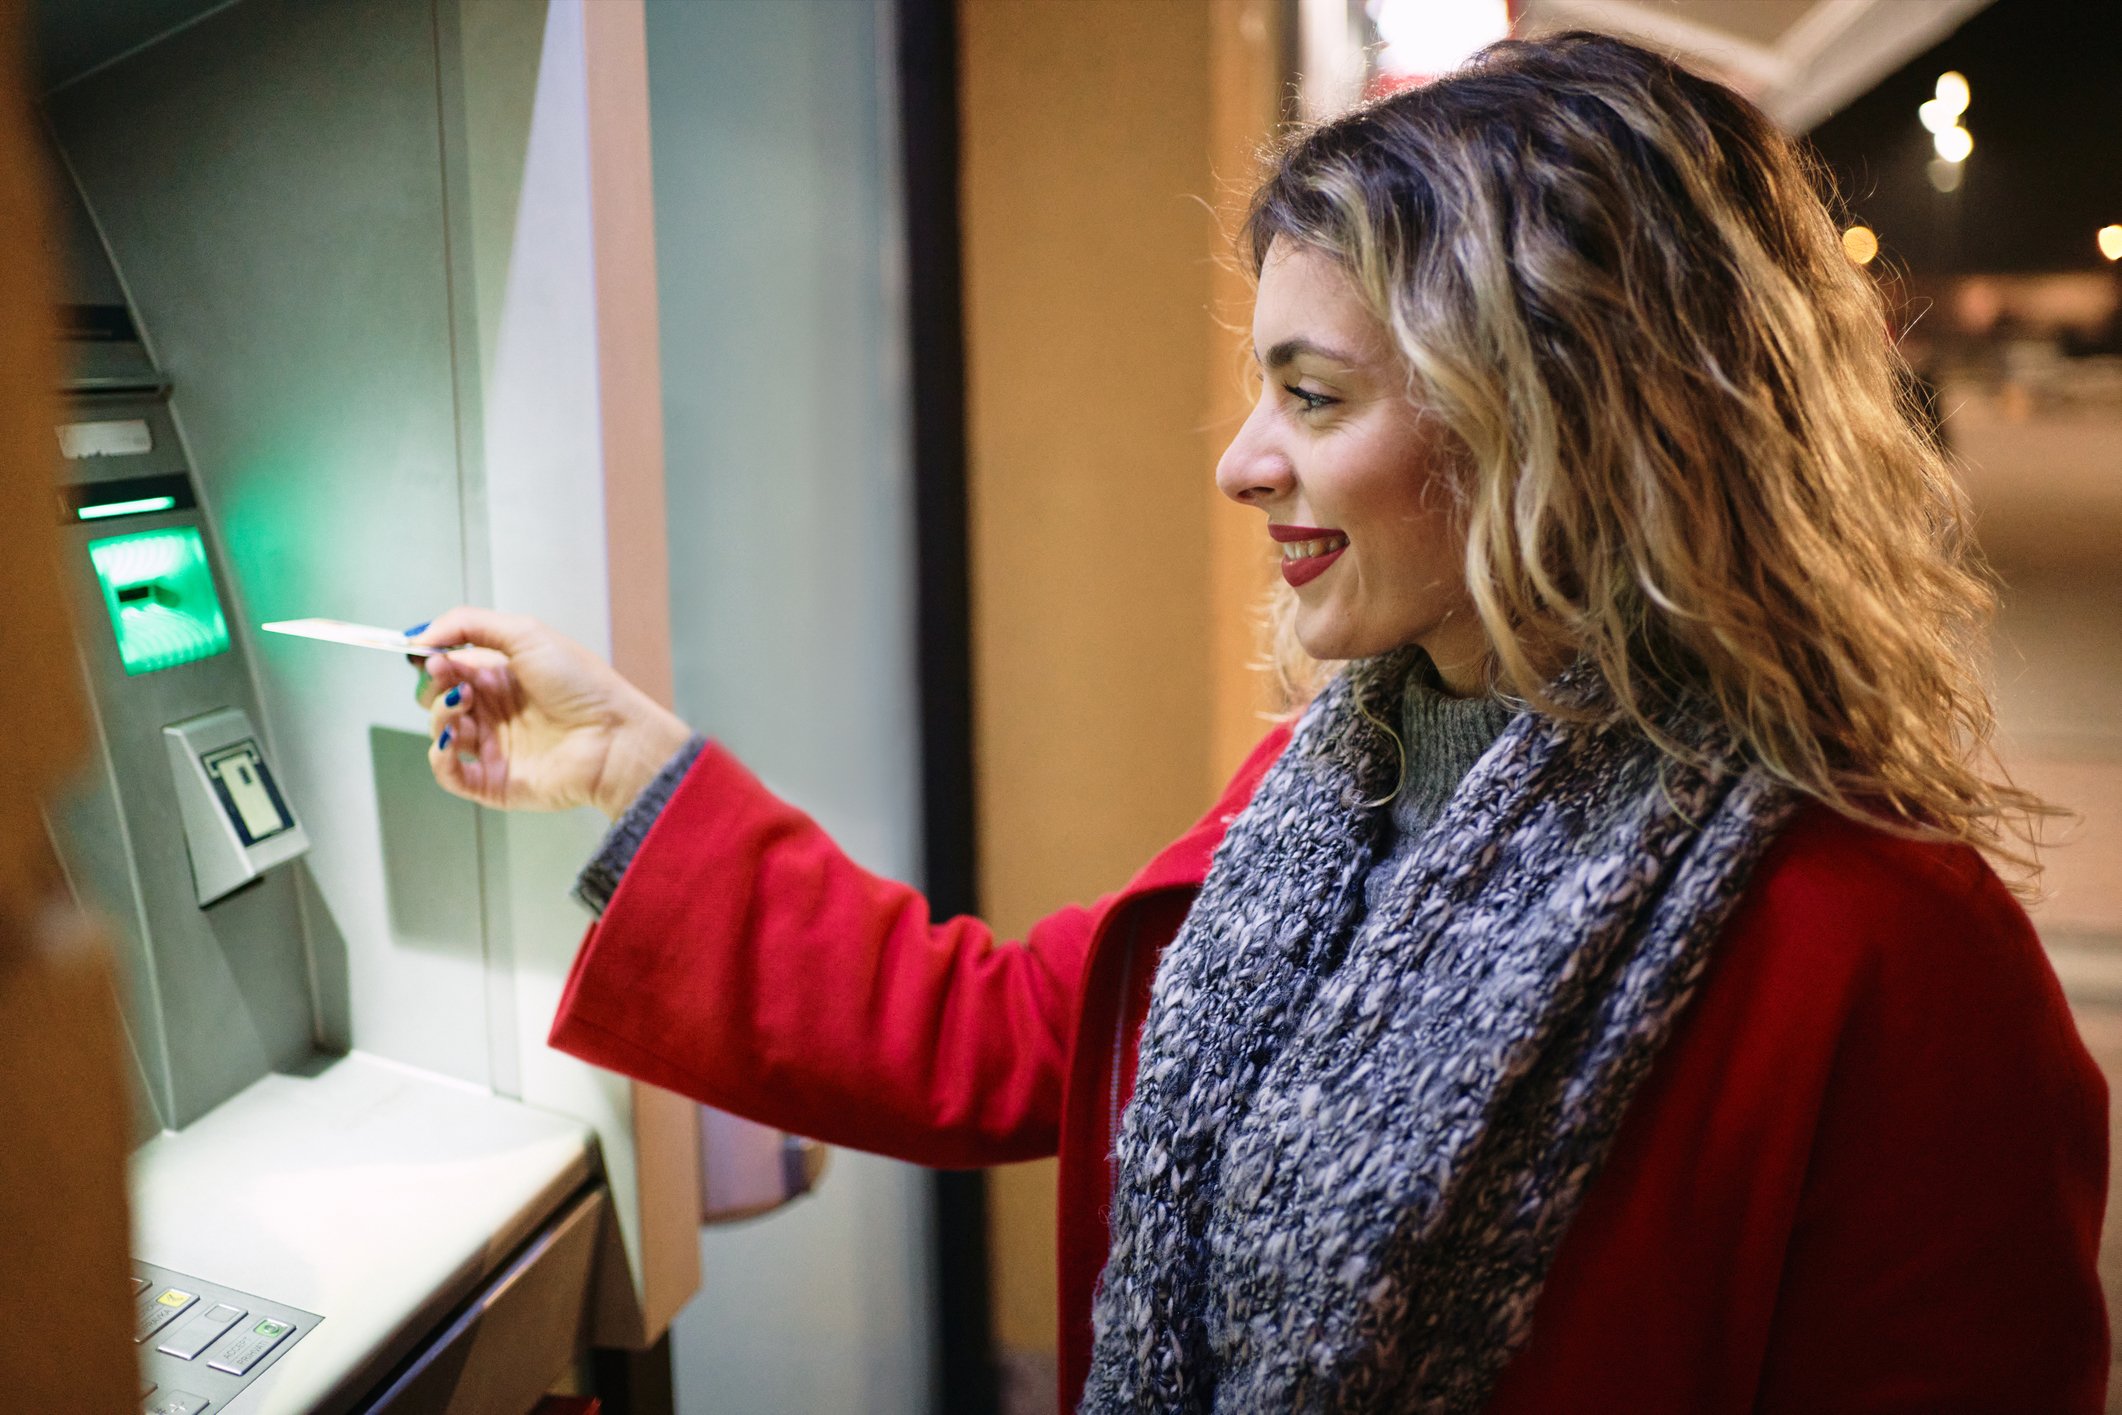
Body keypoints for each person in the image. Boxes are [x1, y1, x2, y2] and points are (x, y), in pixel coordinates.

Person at [412, 31, 2107, 1415]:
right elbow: (1005, 1036)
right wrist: (633, 774)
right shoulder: (1327, 791)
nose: (1238, 462)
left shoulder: (1887, 954)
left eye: (1312, 396)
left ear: (1556, 424)